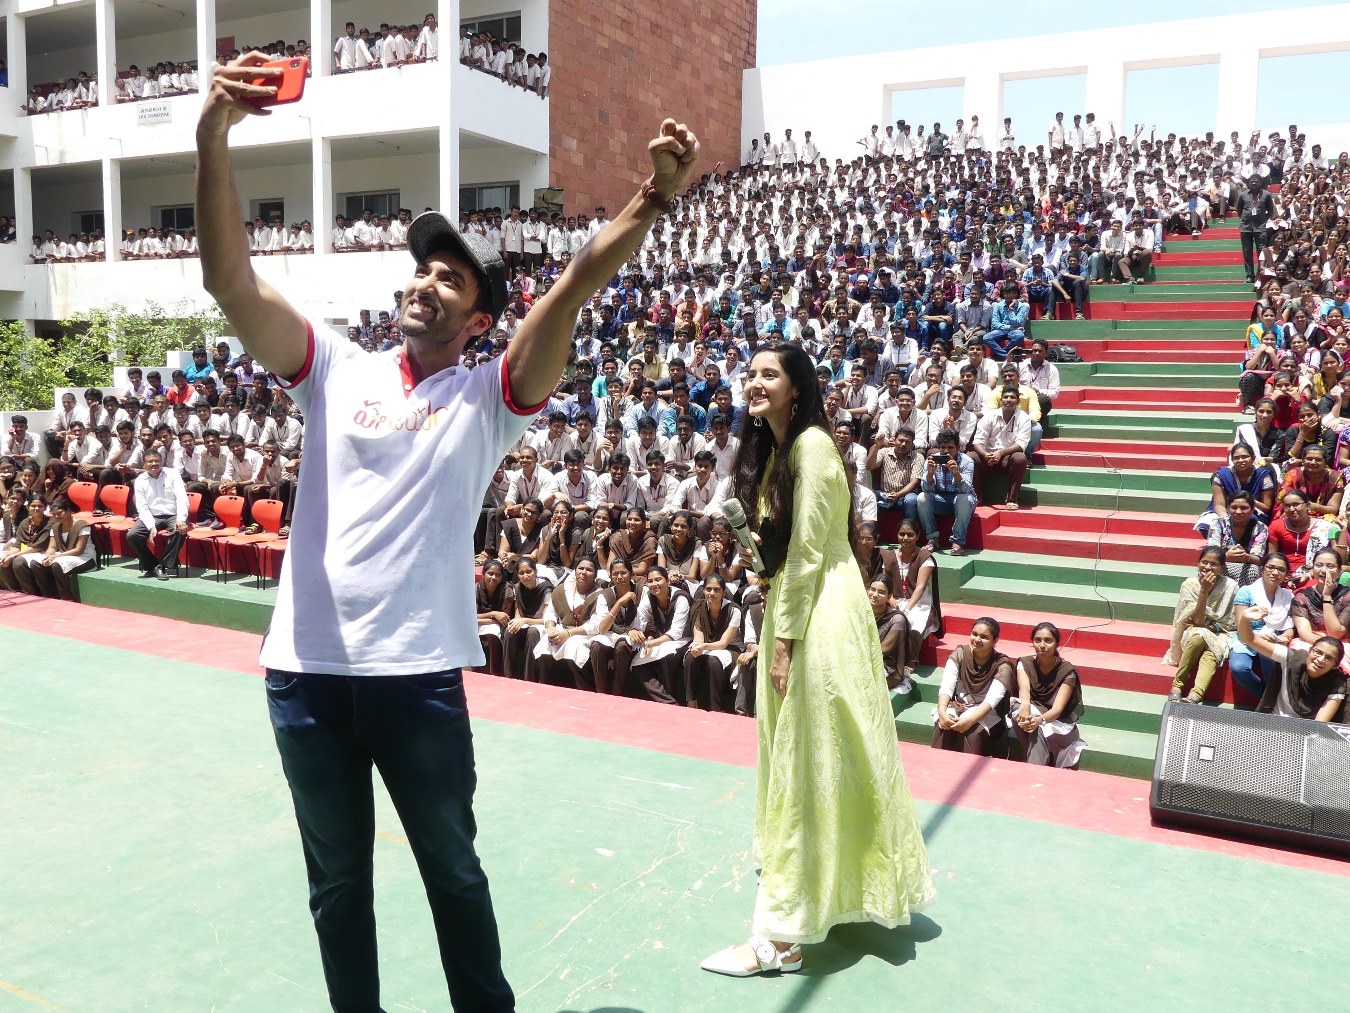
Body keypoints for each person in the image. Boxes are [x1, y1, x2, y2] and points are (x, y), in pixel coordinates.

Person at [197, 52, 700, 1012]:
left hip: (416, 679)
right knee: (337, 884)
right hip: (303, 678)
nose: (427, 283)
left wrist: (651, 198)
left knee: (451, 874)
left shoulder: (489, 396)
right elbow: (231, 283)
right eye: (423, 269)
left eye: (451, 279)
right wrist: (213, 133)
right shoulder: (333, 369)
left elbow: (573, 290)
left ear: (480, 317)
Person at [701, 341, 933, 978]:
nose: (753, 381)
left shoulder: (810, 447)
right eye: (749, 372)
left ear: (796, 388)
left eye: (768, 374)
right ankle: (826, 886)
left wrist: (782, 643)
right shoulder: (779, 450)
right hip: (799, 607)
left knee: (808, 758)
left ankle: (783, 936)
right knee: (819, 755)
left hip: (817, 617)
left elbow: (810, 554)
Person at [1238, 607, 1347, 721]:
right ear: (1310, 651)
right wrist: (1245, 619)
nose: (1320, 659)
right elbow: (1249, 639)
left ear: (1335, 665)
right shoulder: (1291, 658)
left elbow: (1320, 723)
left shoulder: (1338, 682)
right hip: (1274, 721)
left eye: (1329, 658)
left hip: (1308, 730)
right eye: (1318, 652)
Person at [1164, 546, 1239, 703]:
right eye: (1204, 562)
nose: (1208, 567)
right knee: (1198, 637)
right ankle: (1178, 686)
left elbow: (1230, 623)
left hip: (1221, 632)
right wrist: (1204, 591)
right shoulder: (1189, 585)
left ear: (1222, 567)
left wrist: (1214, 627)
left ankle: (1195, 695)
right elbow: (1196, 621)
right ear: (1198, 563)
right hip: (1194, 629)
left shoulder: (1231, 586)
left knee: (1212, 651)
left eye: (1214, 564)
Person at [931, 616, 1016, 755]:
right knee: (943, 725)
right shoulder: (960, 654)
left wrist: (969, 721)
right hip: (960, 706)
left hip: (988, 712)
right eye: (974, 634)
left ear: (995, 641)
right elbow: (947, 686)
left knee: (973, 731)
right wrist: (942, 711)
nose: (977, 639)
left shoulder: (1002, 665)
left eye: (984, 637)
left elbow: (991, 701)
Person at [1011, 623, 1086, 768]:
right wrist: (1025, 707)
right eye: (1037, 640)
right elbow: (1024, 688)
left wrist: (1038, 720)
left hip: (1059, 724)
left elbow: (1057, 709)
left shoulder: (1067, 672)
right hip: (1035, 715)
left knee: (1036, 727)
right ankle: (1036, 763)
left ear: (1057, 644)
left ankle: (1034, 768)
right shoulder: (1025, 663)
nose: (1042, 645)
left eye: (1048, 640)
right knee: (1018, 709)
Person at [1227, 551, 1295, 699]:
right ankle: (1265, 696)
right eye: (1270, 567)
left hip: (1273, 638)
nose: (1275, 572)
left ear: (1286, 574)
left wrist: (1285, 637)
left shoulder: (1288, 596)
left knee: (1271, 663)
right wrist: (1257, 636)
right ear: (1262, 569)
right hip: (1247, 637)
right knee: (1239, 668)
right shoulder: (1247, 592)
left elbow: (1289, 627)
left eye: (1281, 569)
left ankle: (1272, 698)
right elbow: (1241, 624)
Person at [9, 494, 96, 600]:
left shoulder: (82, 525)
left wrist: (57, 555)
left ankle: (66, 597)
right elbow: (52, 547)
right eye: (53, 514)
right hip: (65, 556)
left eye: (59, 513)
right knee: (36, 563)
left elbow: (79, 550)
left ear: (69, 511)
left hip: (85, 558)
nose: (56, 517)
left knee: (57, 564)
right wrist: (48, 555)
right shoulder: (55, 527)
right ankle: (48, 595)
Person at [682, 573, 743, 710]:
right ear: (703, 590)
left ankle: (716, 707)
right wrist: (698, 648)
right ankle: (691, 702)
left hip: (730, 649)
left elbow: (723, 643)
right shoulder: (699, 608)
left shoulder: (733, 611)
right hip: (708, 645)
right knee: (691, 657)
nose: (712, 593)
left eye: (717, 590)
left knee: (713, 661)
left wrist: (703, 646)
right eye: (708, 589)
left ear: (723, 592)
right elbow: (698, 639)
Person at [126, 449, 187, 580]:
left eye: (157, 460)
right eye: (150, 461)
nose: (154, 463)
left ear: (162, 461)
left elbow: (182, 498)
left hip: (173, 514)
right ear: (144, 464)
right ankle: (153, 565)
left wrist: (181, 519)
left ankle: (162, 566)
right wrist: (151, 527)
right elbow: (142, 507)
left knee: (180, 531)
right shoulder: (140, 480)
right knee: (133, 535)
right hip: (152, 515)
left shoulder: (173, 474)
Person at [475, 559, 514, 675]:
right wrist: (493, 614)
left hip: (499, 626)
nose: (494, 577)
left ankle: (495, 673)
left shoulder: (507, 589)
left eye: (498, 575)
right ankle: (475, 672)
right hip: (482, 622)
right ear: (483, 574)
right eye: (490, 573)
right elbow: (470, 615)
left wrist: (478, 620)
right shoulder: (475, 588)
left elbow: (504, 619)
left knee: (493, 633)